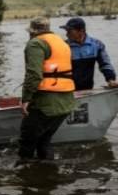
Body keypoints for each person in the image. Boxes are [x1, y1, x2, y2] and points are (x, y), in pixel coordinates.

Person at [19, 17, 76, 161]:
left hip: (45, 103)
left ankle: (25, 177)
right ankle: (48, 176)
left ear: (32, 31)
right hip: (66, 102)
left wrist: (26, 99)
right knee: (44, 141)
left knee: (27, 142)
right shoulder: (62, 42)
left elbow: (34, 74)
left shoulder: (35, 43)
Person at [59, 17, 118, 90]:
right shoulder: (63, 46)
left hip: (88, 89)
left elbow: (105, 64)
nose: (67, 34)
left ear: (81, 31)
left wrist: (111, 79)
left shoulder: (96, 45)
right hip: (67, 90)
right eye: (66, 31)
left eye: (69, 31)